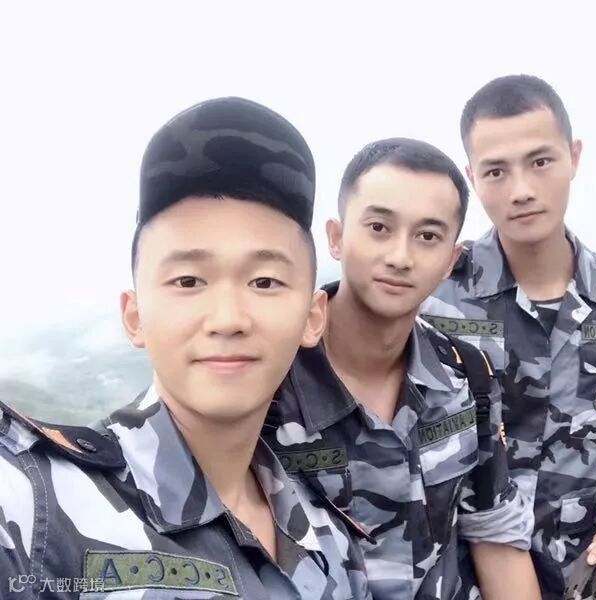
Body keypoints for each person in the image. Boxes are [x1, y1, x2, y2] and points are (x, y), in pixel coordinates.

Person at [0, 97, 372, 599]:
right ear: (135, 317)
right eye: (188, 280)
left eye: (264, 281)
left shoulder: (331, 540)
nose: (228, 319)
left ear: (312, 318)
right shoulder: (36, 512)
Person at [420, 75, 596, 598]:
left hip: (585, 578)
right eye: (496, 171)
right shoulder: (432, 298)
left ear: (574, 157)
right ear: (472, 176)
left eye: (540, 161)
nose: (521, 190)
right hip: (462, 582)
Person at [262, 138, 540, 600]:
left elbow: (496, 535)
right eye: (378, 227)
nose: (399, 256)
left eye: (427, 236)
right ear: (336, 237)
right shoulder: (267, 382)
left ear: (451, 261)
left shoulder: (467, 376)